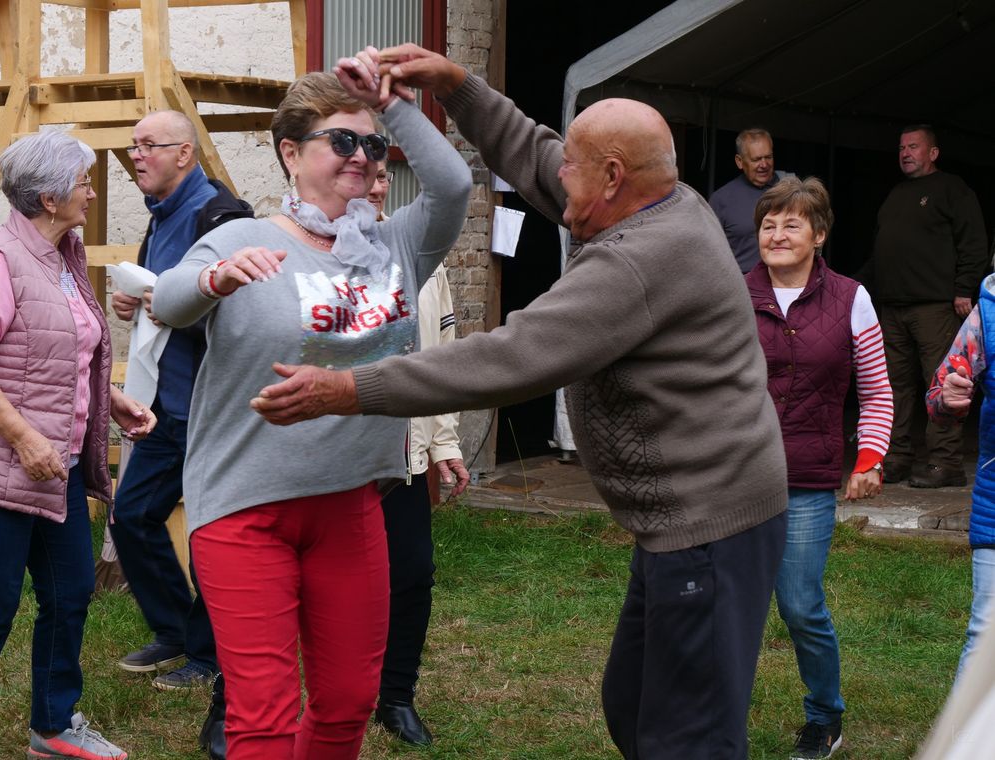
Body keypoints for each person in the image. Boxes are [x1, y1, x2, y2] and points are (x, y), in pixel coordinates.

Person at [250, 44, 788, 760]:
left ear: (614, 178)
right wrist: (458, 87)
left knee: (685, 736)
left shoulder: (639, 260)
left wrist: (350, 388)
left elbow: (510, 358)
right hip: (685, 522)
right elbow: (538, 154)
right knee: (633, 704)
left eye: (575, 166)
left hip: (710, 525)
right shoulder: (655, 196)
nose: (555, 171)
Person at [150, 48, 471, 760]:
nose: (360, 157)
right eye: (341, 141)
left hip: (352, 502)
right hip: (245, 509)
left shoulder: (396, 247)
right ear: (291, 153)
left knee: (347, 706)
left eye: (372, 144)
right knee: (261, 722)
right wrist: (215, 280)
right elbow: (167, 302)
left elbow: (451, 186)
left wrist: (392, 104)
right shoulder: (241, 238)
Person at [0, 130, 156, 760]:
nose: (92, 189)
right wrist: (24, 438)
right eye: (83, 180)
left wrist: (111, 399)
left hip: (50, 470)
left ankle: (52, 728)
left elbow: (61, 356)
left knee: (70, 591)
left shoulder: (61, 257)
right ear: (50, 197)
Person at [747, 177, 893, 759]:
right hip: (739, 475)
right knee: (728, 601)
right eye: (768, 224)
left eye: (791, 224)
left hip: (807, 478)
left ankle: (825, 718)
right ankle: (715, 710)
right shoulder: (733, 294)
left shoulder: (851, 297)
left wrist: (870, 457)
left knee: (800, 604)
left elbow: (878, 391)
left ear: (819, 234)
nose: (777, 234)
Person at [109, 109, 251, 691]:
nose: (136, 156)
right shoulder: (162, 214)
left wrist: (166, 306)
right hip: (164, 404)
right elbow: (161, 295)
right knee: (134, 516)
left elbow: (238, 315)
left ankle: (209, 654)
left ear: (185, 154)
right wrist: (137, 302)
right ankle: (173, 630)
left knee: (211, 533)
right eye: (133, 145)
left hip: (212, 407)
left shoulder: (221, 217)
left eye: (148, 145)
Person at [366, 160, 470, 745]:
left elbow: (444, 365)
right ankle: (239, 697)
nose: (377, 185)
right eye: (365, 174)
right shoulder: (306, 256)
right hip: (334, 461)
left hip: (403, 460)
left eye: (383, 175)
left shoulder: (426, 266)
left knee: (412, 574)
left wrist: (444, 443)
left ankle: (396, 696)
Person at [861, 125, 987, 488]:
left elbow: (974, 241)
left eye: (913, 146)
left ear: (933, 153)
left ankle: (946, 462)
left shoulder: (952, 189)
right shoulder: (896, 194)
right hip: (892, 307)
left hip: (935, 307)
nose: (905, 152)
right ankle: (896, 456)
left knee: (944, 383)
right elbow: (880, 251)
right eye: (901, 147)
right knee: (891, 385)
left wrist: (965, 289)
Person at [926, 271, 995, 680]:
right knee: (986, 630)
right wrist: (949, 396)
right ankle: (964, 742)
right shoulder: (987, 313)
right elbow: (937, 395)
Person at [710, 128, 780, 272]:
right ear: (739, 162)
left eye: (768, 157)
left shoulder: (789, 192)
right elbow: (709, 253)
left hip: (785, 283)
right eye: (756, 159)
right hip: (743, 287)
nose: (764, 164)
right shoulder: (721, 200)